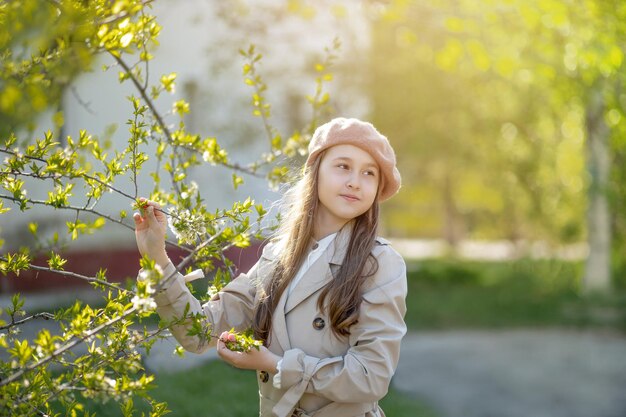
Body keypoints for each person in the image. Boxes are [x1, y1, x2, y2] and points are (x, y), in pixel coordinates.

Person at [134, 117, 407, 417]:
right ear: (315, 173)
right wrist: (157, 256)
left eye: (369, 173)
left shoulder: (378, 263)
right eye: (343, 166)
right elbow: (197, 332)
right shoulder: (278, 257)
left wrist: (275, 364)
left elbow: (372, 378)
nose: (355, 181)